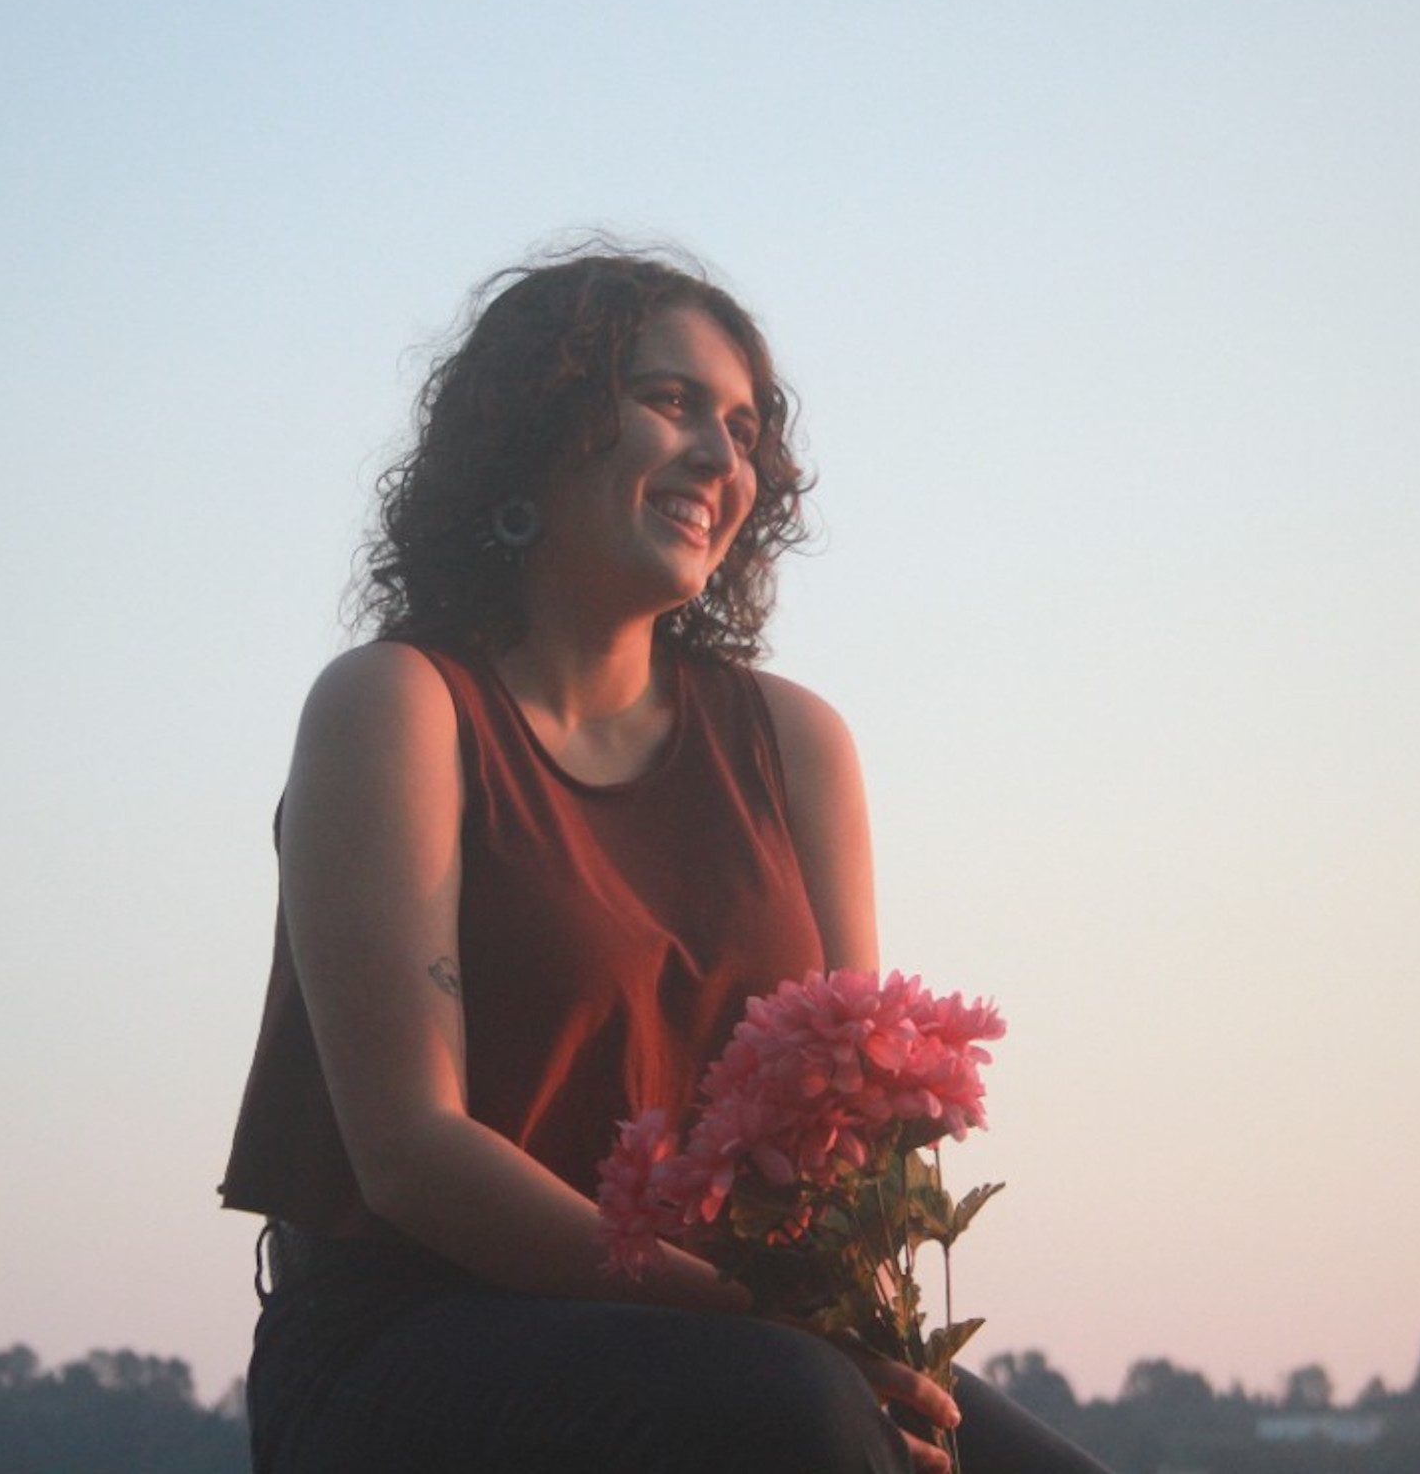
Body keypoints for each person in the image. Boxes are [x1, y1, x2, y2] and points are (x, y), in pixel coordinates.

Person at [221, 246, 1111, 1474]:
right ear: (539, 423)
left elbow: (852, 1132)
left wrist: (859, 1336)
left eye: (743, 430)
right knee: (794, 1414)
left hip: (748, 1340)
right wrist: (767, 1330)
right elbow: (410, 1150)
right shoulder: (399, 707)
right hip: (408, 1336)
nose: (720, 459)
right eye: (671, 402)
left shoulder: (795, 742)